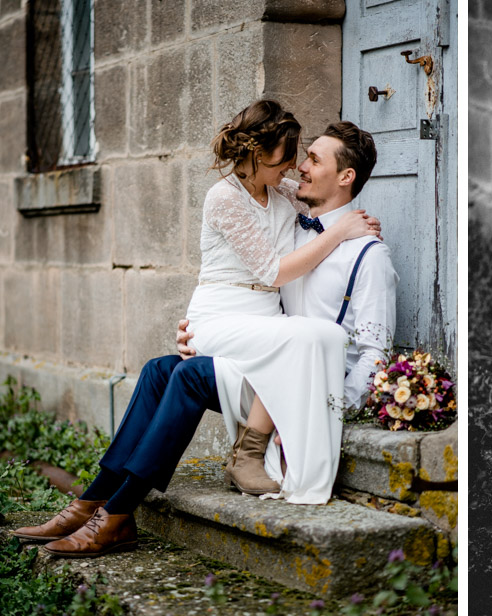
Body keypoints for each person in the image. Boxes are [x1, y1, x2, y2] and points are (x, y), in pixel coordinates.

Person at [12, 108, 397, 558]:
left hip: (299, 377)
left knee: (188, 375)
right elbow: (267, 272)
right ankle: (93, 500)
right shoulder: (294, 215)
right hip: (258, 353)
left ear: (346, 176)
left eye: (312, 159)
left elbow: (375, 351)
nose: (298, 167)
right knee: (161, 369)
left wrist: (335, 403)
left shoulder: (365, 254)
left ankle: (118, 512)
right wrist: (211, 327)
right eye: (295, 158)